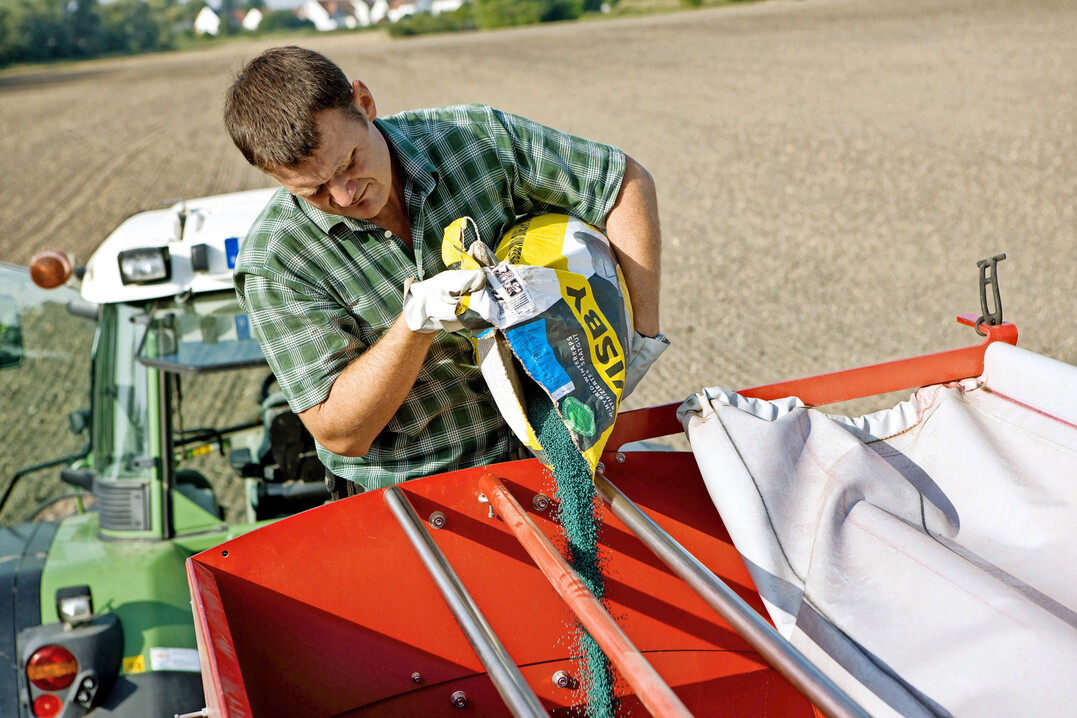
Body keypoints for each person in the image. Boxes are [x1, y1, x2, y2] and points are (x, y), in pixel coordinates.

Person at [224, 46, 666, 496]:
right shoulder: (277, 263)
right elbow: (341, 433)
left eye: (348, 163)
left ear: (364, 104)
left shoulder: (473, 138)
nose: (344, 195)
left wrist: (640, 339)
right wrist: (415, 326)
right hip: (415, 493)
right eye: (315, 190)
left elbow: (620, 183)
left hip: (550, 445)